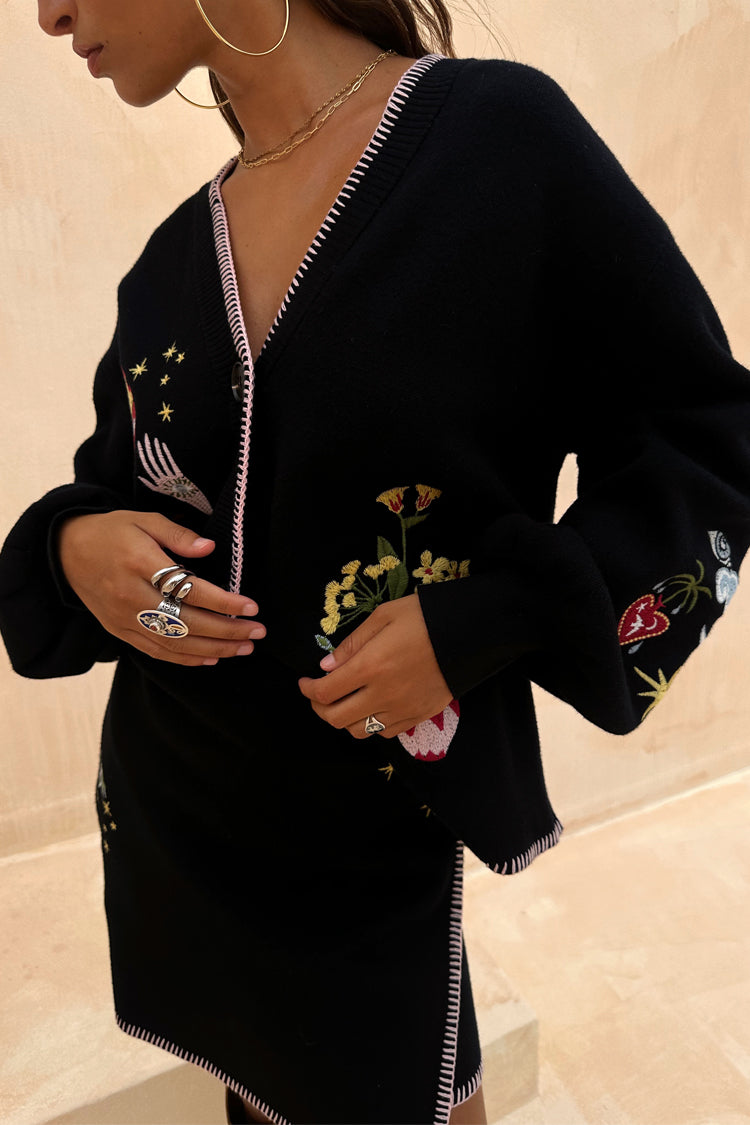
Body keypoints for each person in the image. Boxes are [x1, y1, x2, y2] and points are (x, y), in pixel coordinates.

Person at [2, 0, 749, 1122]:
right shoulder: (171, 263)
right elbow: (126, 486)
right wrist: (70, 545)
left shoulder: (497, 142)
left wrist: (489, 619)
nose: (50, 14)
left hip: (365, 853)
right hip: (178, 828)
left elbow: (703, 433)